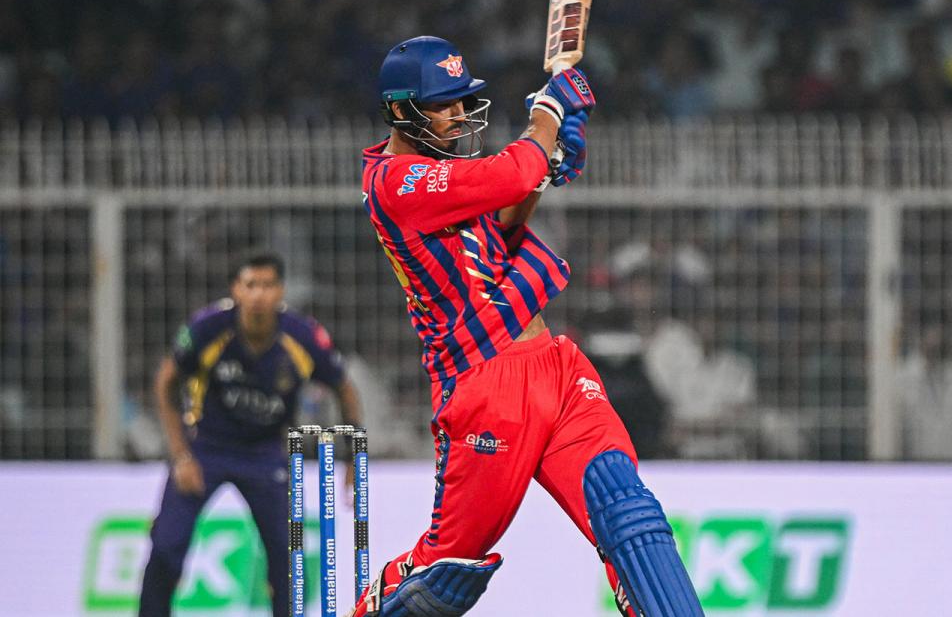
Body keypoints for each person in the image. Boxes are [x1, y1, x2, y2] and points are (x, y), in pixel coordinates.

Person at [353, 36, 703, 616]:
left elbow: (504, 223)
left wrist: (548, 165)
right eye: (442, 104)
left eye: (462, 100)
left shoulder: (443, 171)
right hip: (485, 384)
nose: (458, 114)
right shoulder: (396, 182)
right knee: (444, 576)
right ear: (399, 110)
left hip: (555, 367)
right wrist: (547, 114)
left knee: (631, 517)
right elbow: (511, 175)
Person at [137, 252, 363, 617]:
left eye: (268, 285)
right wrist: (180, 455)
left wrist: (353, 457)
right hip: (205, 448)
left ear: (280, 291)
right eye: (251, 285)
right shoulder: (209, 328)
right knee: (166, 544)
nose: (259, 294)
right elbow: (166, 382)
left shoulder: (301, 336)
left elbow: (345, 388)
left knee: (288, 555)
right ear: (236, 290)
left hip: (266, 453)